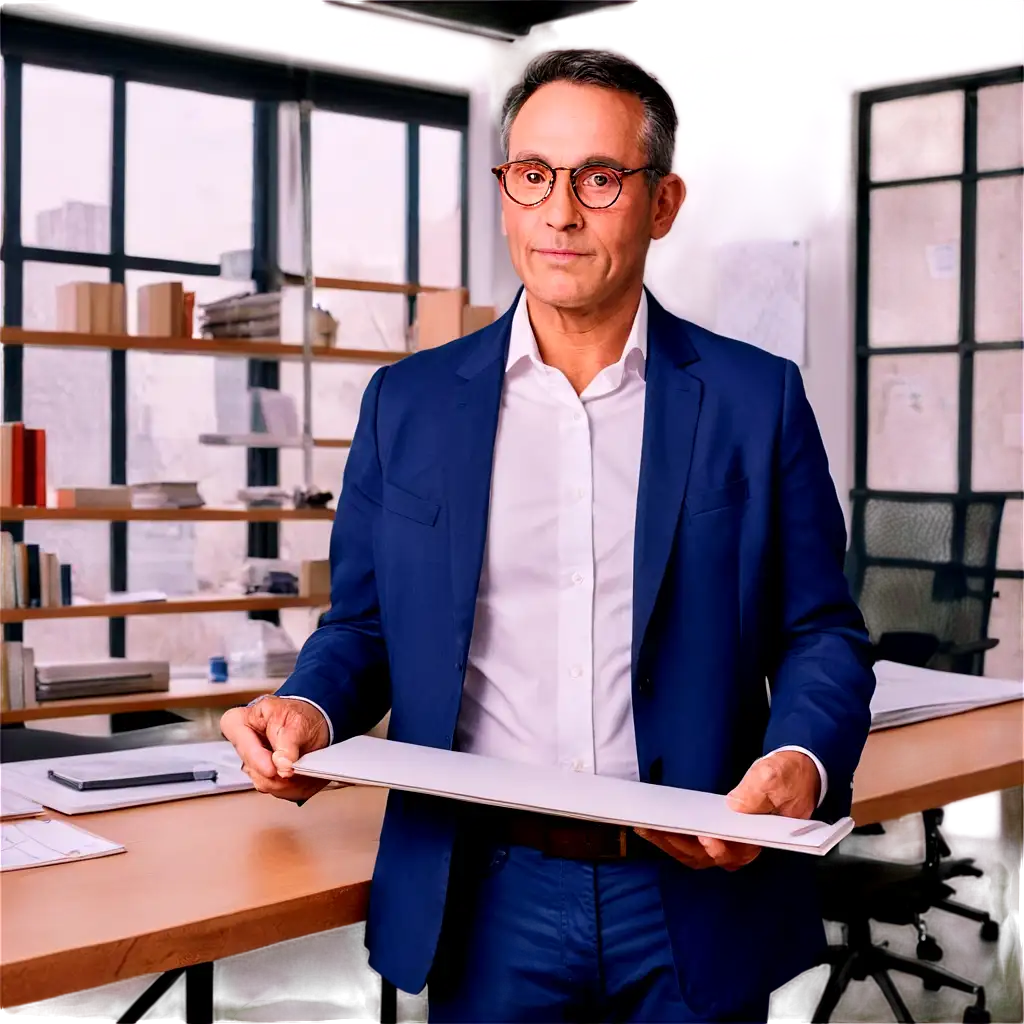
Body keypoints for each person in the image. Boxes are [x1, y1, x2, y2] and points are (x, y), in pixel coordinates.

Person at [221, 47, 875, 1023]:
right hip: (484, 893)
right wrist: (308, 712)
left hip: (694, 890)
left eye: (598, 178)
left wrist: (801, 764)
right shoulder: (408, 405)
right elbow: (362, 629)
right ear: (505, 193)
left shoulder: (754, 399)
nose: (559, 213)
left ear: (661, 203)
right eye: (532, 176)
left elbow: (821, 631)